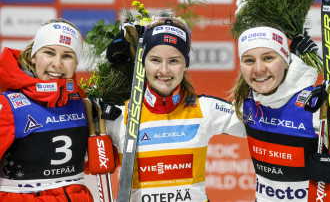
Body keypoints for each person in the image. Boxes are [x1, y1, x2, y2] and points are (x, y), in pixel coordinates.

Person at [103, 16, 246, 202]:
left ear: (186, 63)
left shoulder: (205, 109)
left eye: (173, 61)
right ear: (143, 62)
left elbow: (264, 124)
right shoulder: (119, 117)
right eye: (155, 60)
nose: (164, 70)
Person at [230, 24, 330, 202]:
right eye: (249, 60)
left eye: (268, 58)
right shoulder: (244, 104)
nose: (258, 69)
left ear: (285, 60)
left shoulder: (316, 107)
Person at [0, 18, 94, 202]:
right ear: (33, 57)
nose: (57, 64)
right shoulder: (9, 106)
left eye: (67, 56)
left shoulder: (82, 102)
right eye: (49, 53)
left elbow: (97, 161)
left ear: (76, 64)